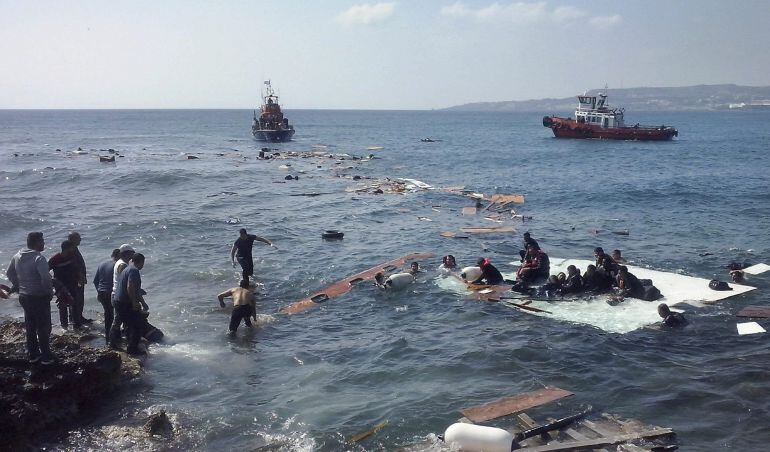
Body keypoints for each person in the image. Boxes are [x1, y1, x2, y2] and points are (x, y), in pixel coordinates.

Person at [6, 232, 55, 364]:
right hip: (39, 297)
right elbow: (45, 278)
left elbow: (9, 273)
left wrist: (19, 285)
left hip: (24, 296)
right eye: (42, 241)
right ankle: (46, 356)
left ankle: (33, 354)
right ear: (36, 243)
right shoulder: (39, 258)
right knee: (44, 327)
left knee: (30, 325)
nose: (44, 243)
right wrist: (49, 292)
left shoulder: (17, 256)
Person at [111, 253, 147, 355]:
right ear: (141, 262)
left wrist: (143, 303)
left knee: (125, 323)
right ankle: (132, 349)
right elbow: (130, 287)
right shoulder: (134, 270)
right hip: (124, 302)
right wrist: (134, 302)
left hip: (118, 300)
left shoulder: (128, 268)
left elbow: (136, 290)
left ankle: (113, 343)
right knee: (137, 325)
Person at [48, 240, 80, 328]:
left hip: (73, 283)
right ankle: (64, 326)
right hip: (61, 286)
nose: (73, 249)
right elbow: (45, 271)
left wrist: (80, 277)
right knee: (63, 306)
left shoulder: (72, 256)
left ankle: (76, 325)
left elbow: (76, 268)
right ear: (66, 249)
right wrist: (53, 282)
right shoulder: (55, 259)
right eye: (71, 248)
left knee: (74, 304)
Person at [93, 249, 120, 343]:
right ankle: (112, 338)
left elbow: (95, 281)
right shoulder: (117, 266)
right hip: (110, 293)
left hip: (101, 292)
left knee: (108, 314)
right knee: (115, 316)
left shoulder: (102, 264)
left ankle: (108, 336)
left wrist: (99, 291)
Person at [68, 231, 92, 325]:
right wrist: (81, 277)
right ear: (73, 239)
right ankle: (76, 319)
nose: (80, 239)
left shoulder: (74, 249)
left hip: (78, 278)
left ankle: (77, 317)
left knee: (79, 299)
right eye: (78, 238)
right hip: (76, 280)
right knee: (77, 299)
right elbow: (75, 266)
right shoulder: (72, 250)